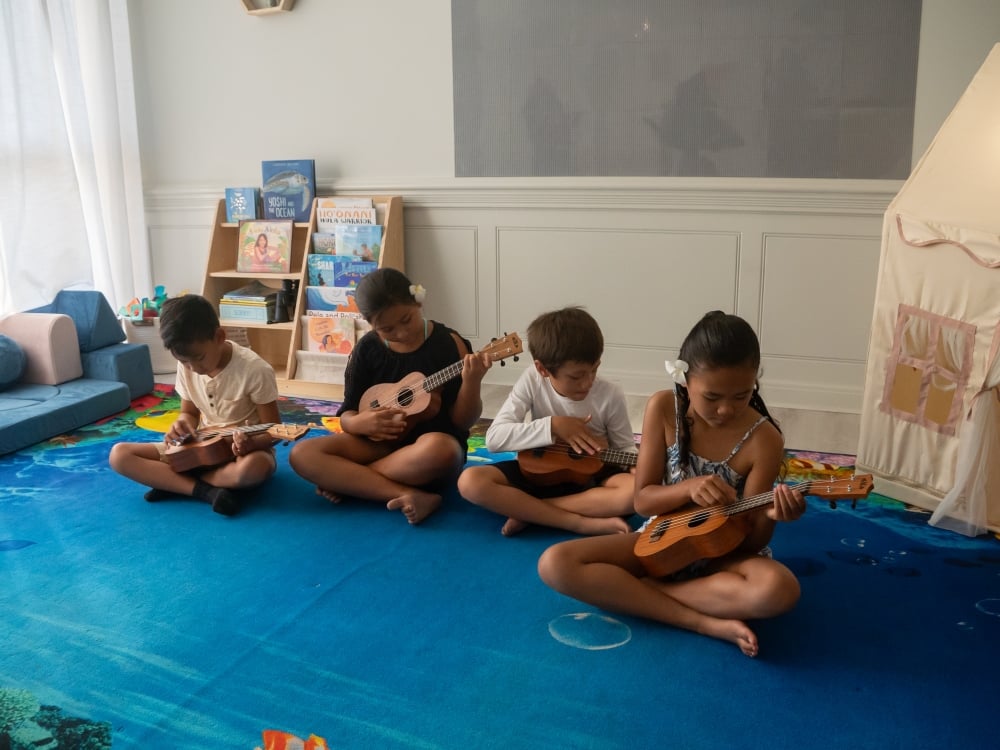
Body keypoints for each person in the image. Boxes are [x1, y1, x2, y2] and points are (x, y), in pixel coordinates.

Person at [537, 311, 806, 657]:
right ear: (685, 380)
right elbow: (643, 502)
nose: (726, 409)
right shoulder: (663, 408)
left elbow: (750, 545)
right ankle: (701, 620)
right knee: (554, 563)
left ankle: (636, 593)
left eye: (741, 396)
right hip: (661, 541)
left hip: (724, 556)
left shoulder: (765, 439)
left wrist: (770, 515)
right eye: (712, 397)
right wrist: (688, 488)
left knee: (779, 590)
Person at [288, 268, 493, 525]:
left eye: (407, 320)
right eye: (387, 329)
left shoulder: (450, 343)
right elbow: (348, 413)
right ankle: (407, 493)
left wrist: (472, 382)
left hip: (426, 453)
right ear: (370, 324)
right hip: (376, 444)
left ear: (418, 302)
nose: (402, 333)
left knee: (443, 451)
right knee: (301, 454)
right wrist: (359, 423)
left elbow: (462, 423)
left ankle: (351, 482)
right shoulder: (367, 349)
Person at [458, 306, 636, 536]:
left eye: (594, 370)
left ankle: (529, 512)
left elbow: (625, 448)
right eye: (576, 376)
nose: (588, 382)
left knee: (633, 492)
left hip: (589, 481)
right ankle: (576, 522)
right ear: (542, 369)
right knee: (470, 481)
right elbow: (493, 438)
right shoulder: (532, 380)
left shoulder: (610, 394)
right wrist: (552, 426)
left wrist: (634, 464)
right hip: (538, 472)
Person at [108, 294, 281, 516]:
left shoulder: (255, 370)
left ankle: (174, 482)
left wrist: (250, 445)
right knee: (119, 455)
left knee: (254, 469)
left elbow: (274, 430)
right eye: (183, 361)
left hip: (243, 453)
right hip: (199, 451)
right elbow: (188, 412)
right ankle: (206, 492)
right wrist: (182, 424)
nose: (193, 368)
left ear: (219, 336)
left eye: (199, 358)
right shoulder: (188, 366)